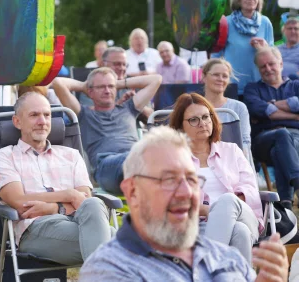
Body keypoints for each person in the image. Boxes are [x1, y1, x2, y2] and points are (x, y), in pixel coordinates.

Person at [80, 127, 288, 281]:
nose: (186, 192)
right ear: (133, 191)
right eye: (169, 180)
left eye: (192, 179)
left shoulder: (226, 257)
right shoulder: (110, 269)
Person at [0, 92, 112, 265]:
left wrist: (54, 208)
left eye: (47, 115)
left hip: (78, 222)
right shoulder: (5, 156)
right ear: (17, 122)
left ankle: (99, 274)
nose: (42, 121)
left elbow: (84, 201)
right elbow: (19, 201)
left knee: (93, 204)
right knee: (119, 243)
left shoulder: (71, 155)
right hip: (35, 230)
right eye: (34, 115)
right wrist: (69, 195)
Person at [169, 93, 262, 261]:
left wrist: (221, 210)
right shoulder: (174, 159)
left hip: (244, 216)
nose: (202, 123)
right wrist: (208, 212)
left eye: (206, 117)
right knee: (240, 232)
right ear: (180, 127)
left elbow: (250, 188)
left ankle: (206, 264)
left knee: (228, 200)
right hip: (196, 224)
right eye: (194, 120)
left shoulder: (232, 150)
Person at [52, 69, 162, 194]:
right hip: (106, 165)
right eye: (101, 87)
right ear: (90, 91)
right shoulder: (83, 114)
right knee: (141, 157)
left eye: (111, 86)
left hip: (137, 158)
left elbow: (156, 79)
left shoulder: (128, 108)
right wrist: (84, 86)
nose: (107, 90)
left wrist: (118, 83)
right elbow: (58, 83)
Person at [243, 46, 299, 204]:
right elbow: (257, 108)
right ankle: (297, 183)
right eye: (263, 66)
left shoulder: (296, 85)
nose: (267, 69)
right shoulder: (252, 89)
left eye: (271, 64)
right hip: (263, 141)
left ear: (281, 64)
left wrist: (271, 105)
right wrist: (295, 116)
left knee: (279, 150)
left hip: (296, 138)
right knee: (282, 134)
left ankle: (285, 204)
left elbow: (267, 111)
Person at [213, 0, 274, 95]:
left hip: (260, 86)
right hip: (231, 86)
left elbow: (273, 58)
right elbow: (216, 56)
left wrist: (265, 48)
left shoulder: (265, 23)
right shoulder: (226, 23)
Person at [201, 58, 254, 165]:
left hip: (233, 161)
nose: (220, 79)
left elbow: (245, 142)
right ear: (204, 77)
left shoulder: (239, 107)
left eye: (225, 76)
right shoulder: (193, 107)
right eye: (216, 75)